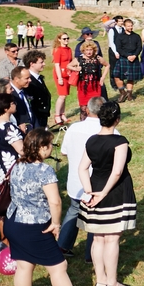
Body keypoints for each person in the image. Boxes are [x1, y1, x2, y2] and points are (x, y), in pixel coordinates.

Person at [4, 128, 102, 286]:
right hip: (34, 226)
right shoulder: (44, 170)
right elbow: (55, 201)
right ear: (41, 148)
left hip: (13, 222)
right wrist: (56, 224)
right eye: (49, 144)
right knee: (58, 266)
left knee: (24, 266)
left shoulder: (17, 165)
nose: (51, 148)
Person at [77, 101, 137, 286]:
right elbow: (117, 171)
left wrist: (89, 191)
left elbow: (82, 168)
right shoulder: (120, 142)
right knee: (112, 239)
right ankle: (112, 282)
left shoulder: (91, 141)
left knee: (98, 238)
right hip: (115, 193)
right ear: (117, 120)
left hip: (94, 189)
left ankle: (100, 280)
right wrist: (103, 193)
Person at [58, 96, 112, 259]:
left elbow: (64, 151)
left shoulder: (74, 128)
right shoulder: (108, 130)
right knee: (94, 216)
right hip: (98, 182)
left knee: (74, 210)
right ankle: (91, 254)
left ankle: (62, 246)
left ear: (87, 110)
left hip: (76, 182)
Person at [69, 40, 107, 110]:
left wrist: (102, 77)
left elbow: (107, 65)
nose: (89, 52)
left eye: (90, 50)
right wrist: (76, 69)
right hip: (83, 87)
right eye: (87, 50)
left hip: (95, 86)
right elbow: (68, 66)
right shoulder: (79, 59)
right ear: (83, 50)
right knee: (84, 108)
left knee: (96, 107)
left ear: (94, 50)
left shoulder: (97, 58)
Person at [112, 17, 143, 102]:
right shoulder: (120, 37)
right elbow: (118, 48)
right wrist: (127, 56)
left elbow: (139, 47)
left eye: (131, 26)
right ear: (124, 26)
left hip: (134, 57)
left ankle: (129, 95)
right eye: (128, 26)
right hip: (124, 58)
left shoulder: (136, 36)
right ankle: (123, 93)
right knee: (116, 75)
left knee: (131, 77)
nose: (130, 27)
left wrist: (135, 55)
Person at [22, 51, 52, 129]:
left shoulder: (38, 78)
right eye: (41, 62)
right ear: (32, 64)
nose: (44, 64)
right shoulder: (29, 81)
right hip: (36, 118)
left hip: (43, 115)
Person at [51, 33, 74, 125]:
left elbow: (70, 61)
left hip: (67, 73)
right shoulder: (58, 50)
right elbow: (57, 65)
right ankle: (57, 115)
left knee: (65, 95)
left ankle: (62, 114)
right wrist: (59, 77)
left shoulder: (69, 49)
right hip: (60, 73)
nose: (66, 40)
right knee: (62, 95)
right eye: (64, 39)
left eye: (67, 38)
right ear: (59, 39)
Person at [9, 65, 38, 130]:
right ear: (16, 79)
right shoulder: (9, 94)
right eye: (27, 78)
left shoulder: (26, 89)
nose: (30, 80)